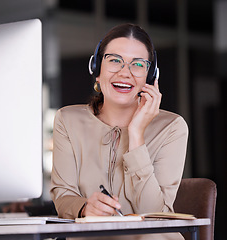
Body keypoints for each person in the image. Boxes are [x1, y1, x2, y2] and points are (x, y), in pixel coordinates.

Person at [50, 23, 188, 240]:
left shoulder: (172, 127)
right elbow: (63, 197)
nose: (125, 73)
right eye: (114, 60)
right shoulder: (67, 120)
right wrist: (86, 207)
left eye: (138, 64)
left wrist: (136, 134)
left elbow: (156, 218)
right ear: (96, 69)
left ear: (150, 76)